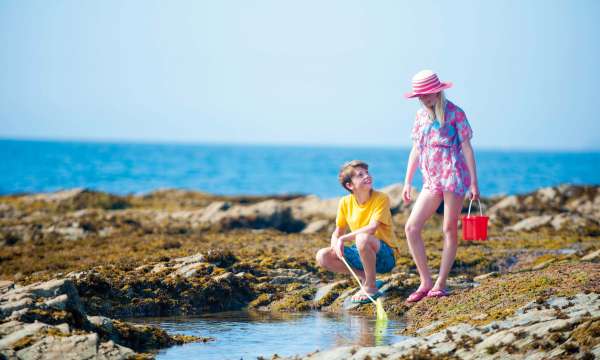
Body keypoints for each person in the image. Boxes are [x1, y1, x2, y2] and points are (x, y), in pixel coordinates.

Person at [402, 69, 480, 302]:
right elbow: (416, 149)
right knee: (411, 227)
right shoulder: (420, 116)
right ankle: (425, 281)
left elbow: (467, 147)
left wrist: (474, 183)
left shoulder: (455, 113)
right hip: (431, 179)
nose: (424, 99)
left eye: (427, 94)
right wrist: (407, 181)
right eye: (420, 96)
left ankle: (440, 283)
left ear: (438, 91)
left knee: (448, 229)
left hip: (454, 176)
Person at [315, 160, 401, 303]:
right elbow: (338, 231)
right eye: (360, 175)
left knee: (362, 238)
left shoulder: (381, 198)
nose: (366, 176)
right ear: (350, 185)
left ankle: (371, 287)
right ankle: (368, 278)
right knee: (322, 256)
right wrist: (335, 244)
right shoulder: (345, 202)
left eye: (367, 173)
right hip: (361, 253)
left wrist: (344, 239)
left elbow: (372, 227)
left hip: (386, 255)